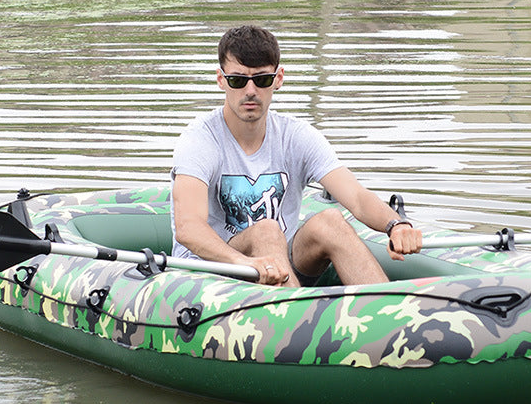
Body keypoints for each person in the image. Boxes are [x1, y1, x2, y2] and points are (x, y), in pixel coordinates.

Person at [170, 25, 422, 287]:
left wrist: (396, 225)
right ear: (221, 80)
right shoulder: (200, 140)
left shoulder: (296, 136)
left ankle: (386, 308)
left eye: (262, 79)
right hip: (211, 274)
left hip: (279, 264)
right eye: (238, 80)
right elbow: (189, 227)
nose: (250, 91)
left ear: (278, 79)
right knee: (266, 230)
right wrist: (244, 262)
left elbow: (356, 197)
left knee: (330, 221)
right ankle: (295, 310)